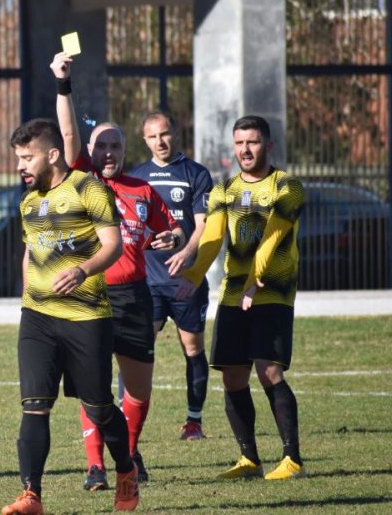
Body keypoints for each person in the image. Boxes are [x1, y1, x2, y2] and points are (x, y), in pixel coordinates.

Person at [51, 52, 185, 490]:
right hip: (89, 297)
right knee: (93, 389)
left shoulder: (143, 189)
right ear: (89, 153)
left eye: (115, 145)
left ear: (126, 151)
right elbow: (69, 130)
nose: (107, 152)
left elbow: (172, 232)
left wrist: (173, 240)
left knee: (139, 392)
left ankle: (126, 452)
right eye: (101, 145)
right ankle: (95, 466)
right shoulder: (83, 180)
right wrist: (63, 83)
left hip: (134, 297)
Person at [1, 117, 139, 515]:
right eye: (18, 158)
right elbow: (31, 250)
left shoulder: (87, 188)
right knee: (33, 405)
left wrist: (82, 270)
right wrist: (28, 292)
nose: (21, 166)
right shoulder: (28, 201)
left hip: (87, 317)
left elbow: (113, 245)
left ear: (53, 154)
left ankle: (126, 469)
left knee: (99, 408)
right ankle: (31, 495)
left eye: (27, 158)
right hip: (38, 318)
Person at [177, 115, 307, 481]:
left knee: (269, 371)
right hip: (234, 296)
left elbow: (273, 238)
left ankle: (292, 458)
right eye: (239, 143)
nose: (245, 150)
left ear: (268, 145)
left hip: (272, 292)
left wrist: (255, 282)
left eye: (252, 142)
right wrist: (192, 275)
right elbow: (212, 240)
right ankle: (249, 459)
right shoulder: (224, 191)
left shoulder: (288, 187)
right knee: (233, 377)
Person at [130, 110, 215, 441]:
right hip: (148, 282)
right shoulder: (137, 178)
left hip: (185, 282)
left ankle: (194, 420)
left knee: (192, 348)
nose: (159, 141)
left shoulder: (195, 173)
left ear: (175, 133)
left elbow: (204, 223)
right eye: (152, 136)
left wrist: (187, 252)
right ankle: (127, 418)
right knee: (137, 349)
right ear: (144, 140)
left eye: (164, 134)